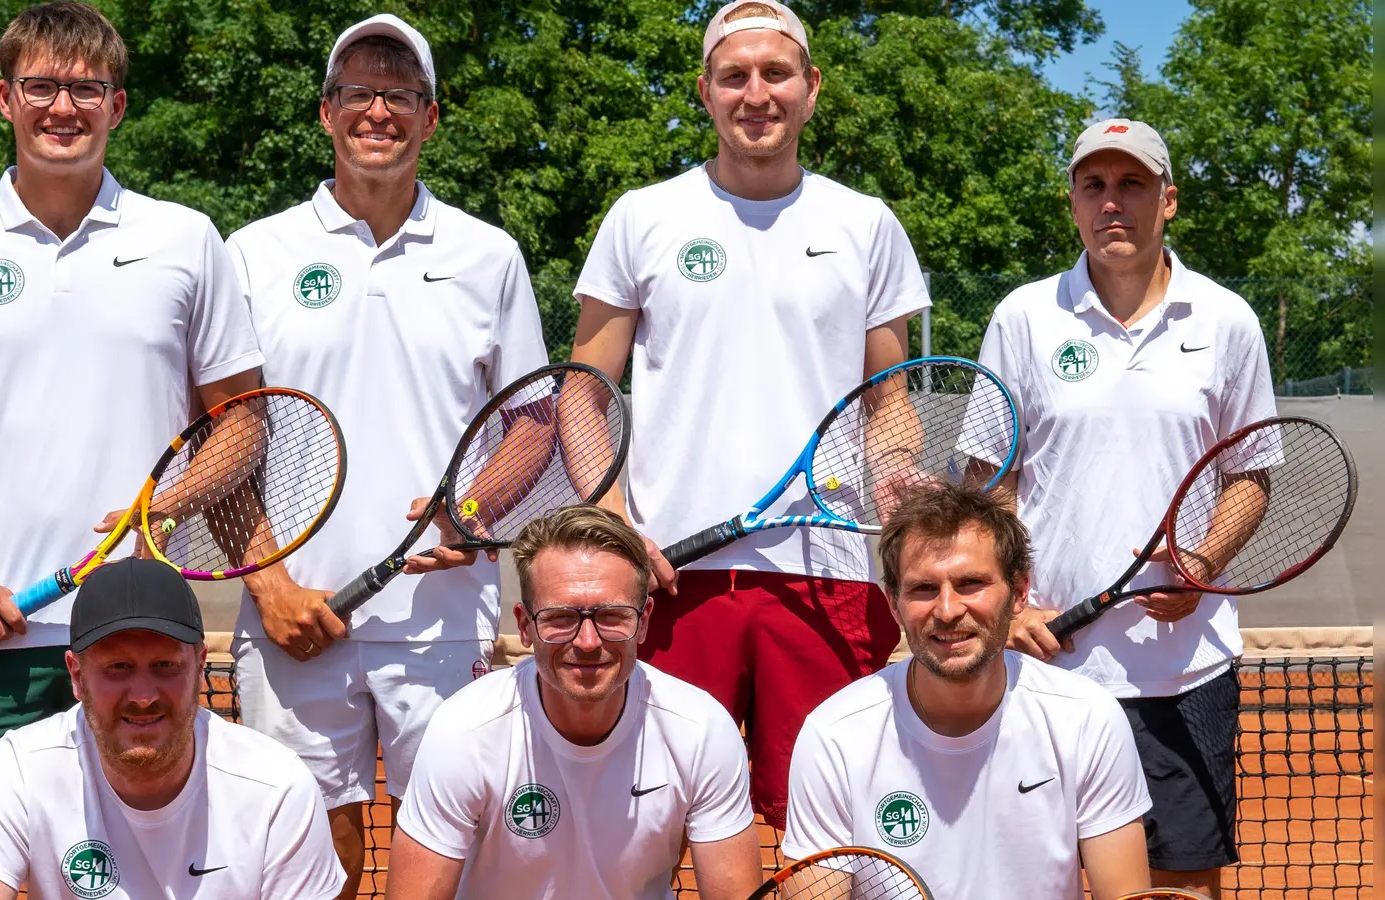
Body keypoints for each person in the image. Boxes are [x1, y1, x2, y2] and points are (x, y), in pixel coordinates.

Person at [0, 0, 263, 855]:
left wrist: (162, 509)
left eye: (87, 88)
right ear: (5, 99)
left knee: (150, 872)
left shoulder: (186, 240)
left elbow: (242, 424)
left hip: (140, 638)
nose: (62, 107)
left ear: (117, 104)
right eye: (41, 86)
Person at [568, 0, 931, 830]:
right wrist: (614, 520)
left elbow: (891, 401)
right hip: (671, 581)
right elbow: (583, 393)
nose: (755, 93)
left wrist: (897, 473)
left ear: (811, 88)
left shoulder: (864, 224)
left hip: (827, 576)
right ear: (705, 90)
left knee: (826, 829)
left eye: (776, 74)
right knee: (646, 823)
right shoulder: (643, 217)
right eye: (735, 76)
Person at [223, 14, 548, 897]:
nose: (378, 110)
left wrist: (471, 512)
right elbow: (224, 436)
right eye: (358, 92)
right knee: (302, 863)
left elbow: (534, 424)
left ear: (430, 117)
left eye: (399, 94)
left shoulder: (490, 256)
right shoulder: (251, 253)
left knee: (452, 859)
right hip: (294, 622)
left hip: (445, 625)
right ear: (326, 113)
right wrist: (269, 586)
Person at [979, 119, 1277, 898]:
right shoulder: (1022, 318)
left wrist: (1206, 562)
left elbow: (1251, 474)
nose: (1114, 203)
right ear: (1073, 204)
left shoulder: (1228, 320)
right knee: (1033, 882)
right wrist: (1009, 606)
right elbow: (991, 481)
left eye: (1133, 184)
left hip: (1186, 675)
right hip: (1048, 671)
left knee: (1183, 889)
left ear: (1167, 200)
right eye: (1095, 186)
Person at [781, 484, 1152, 899]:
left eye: (970, 583)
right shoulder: (834, 734)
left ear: (1019, 592)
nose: (947, 610)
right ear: (893, 603)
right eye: (923, 588)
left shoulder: (1087, 717)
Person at [387, 505, 762, 900]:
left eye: (613, 615)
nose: (588, 642)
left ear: (645, 619)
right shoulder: (464, 730)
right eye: (561, 617)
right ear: (526, 625)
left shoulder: (700, 729)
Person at [0, 558, 346, 900]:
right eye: (118, 668)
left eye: (164, 666)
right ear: (76, 675)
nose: (143, 696)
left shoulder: (277, 786)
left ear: (200, 667)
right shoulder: (19, 769)